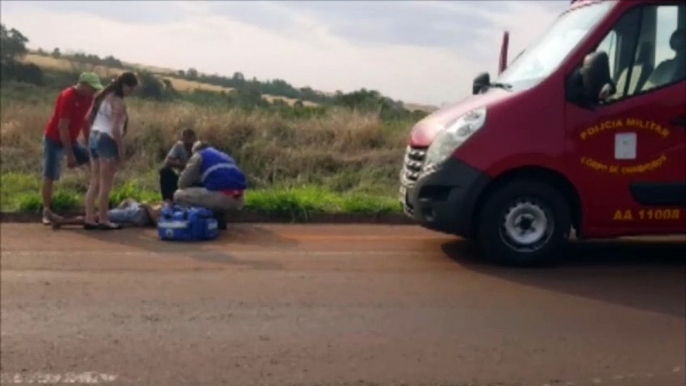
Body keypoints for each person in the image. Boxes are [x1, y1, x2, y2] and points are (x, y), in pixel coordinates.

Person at [41, 72, 103, 226]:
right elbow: (63, 127)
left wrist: (89, 145)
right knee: (50, 174)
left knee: (94, 162)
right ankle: (46, 211)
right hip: (54, 139)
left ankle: (90, 206)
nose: (94, 91)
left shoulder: (89, 98)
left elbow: (85, 122)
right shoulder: (68, 96)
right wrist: (70, 155)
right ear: (83, 85)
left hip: (72, 139)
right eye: (92, 88)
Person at [83, 72, 139, 230]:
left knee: (94, 181)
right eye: (131, 88)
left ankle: (89, 217)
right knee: (106, 184)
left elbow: (88, 118)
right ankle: (103, 218)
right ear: (125, 86)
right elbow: (115, 130)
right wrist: (122, 151)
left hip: (94, 136)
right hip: (107, 139)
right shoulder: (119, 102)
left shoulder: (103, 96)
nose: (132, 92)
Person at [173, 141, 247, 228]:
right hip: (239, 198)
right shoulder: (225, 156)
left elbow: (182, 183)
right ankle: (218, 218)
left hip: (221, 198)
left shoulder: (199, 155)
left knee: (178, 195)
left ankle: (197, 223)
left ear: (195, 151)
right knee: (211, 191)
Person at [45, 199, 164, 229]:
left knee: (94, 217)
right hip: (136, 210)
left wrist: (147, 206)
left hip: (137, 214)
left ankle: (61, 221)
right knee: (128, 200)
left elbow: (156, 221)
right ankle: (62, 220)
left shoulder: (171, 212)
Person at [159, 128, 197, 202]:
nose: (188, 147)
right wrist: (185, 166)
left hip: (195, 181)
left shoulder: (199, 147)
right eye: (186, 144)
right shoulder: (179, 146)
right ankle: (167, 201)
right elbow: (167, 161)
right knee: (165, 171)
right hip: (181, 178)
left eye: (190, 144)